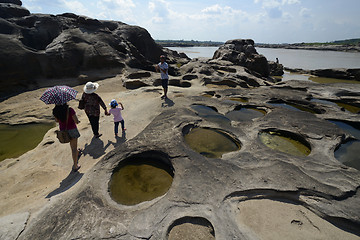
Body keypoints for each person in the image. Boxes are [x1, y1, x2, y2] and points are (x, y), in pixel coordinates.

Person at [53, 104, 81, 172]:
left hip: (63, 131)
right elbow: (76, 121)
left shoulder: (55, 111)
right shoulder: (70, 109)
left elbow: (57, 121)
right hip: (72, 129)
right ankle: (75, 166)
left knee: (73, 147)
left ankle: (77, 153)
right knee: (73, 148)